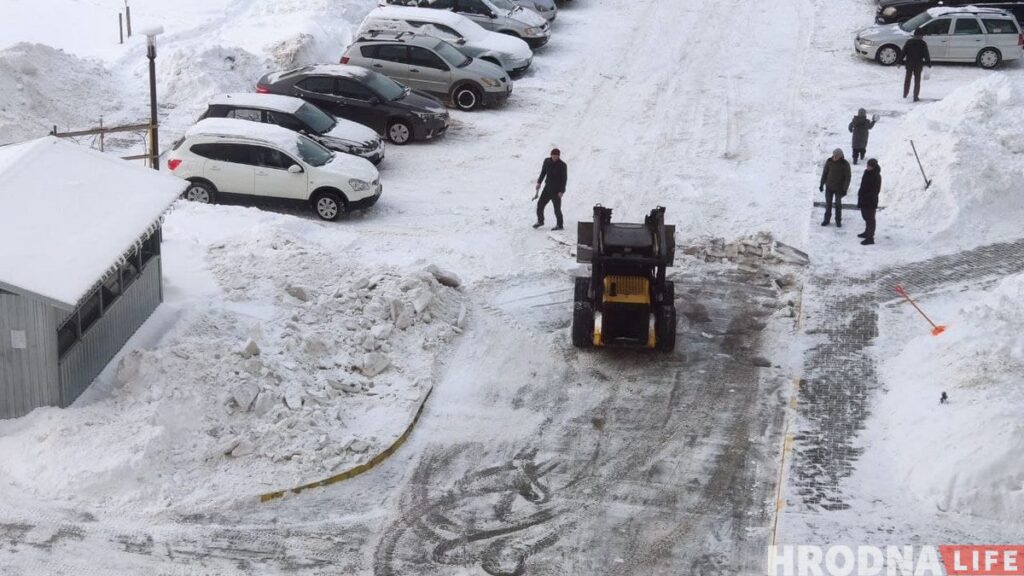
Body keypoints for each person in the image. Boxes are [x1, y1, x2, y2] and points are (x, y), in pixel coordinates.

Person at [533, 148, 568, 230]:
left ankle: (560, 225)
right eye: (553, 155)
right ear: (551, 155)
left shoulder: (563, 165)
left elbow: (564, 179)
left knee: (557, 209)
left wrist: (562, 191)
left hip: (556, 190)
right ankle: (540, 221)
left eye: (556, 156)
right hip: (547, 188)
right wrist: (539, 182)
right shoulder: (546, 161)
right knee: (540, 205)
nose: (554, 157)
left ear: (559, 156)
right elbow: (543, 172)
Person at [819, 148, 851, 228]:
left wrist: (845, 189)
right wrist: (822, 184)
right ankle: (826, 220)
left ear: (840, 156)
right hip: (829, 187)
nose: (834, 157)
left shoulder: (845, 164)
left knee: (838, 205)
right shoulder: (829, 161)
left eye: (836, 156)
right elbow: (825, 173)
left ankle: (838, 220)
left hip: (839, 188)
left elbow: (848, 178)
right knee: (828, 204)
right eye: (834, 155)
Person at [898, 28, 931, 102]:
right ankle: (915, 96)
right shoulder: (923, 43)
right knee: (917, 81)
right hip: (918, 64)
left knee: (907, 79)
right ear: (920, 35)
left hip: (909, 63)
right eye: (922, 35)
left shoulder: (909, 42)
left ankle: (905, 94)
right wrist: (928, 63)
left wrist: (899, 62)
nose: (922, 37)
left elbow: (903, 52)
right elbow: (926, 55)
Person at [856, 158, 881, 245]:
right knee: (866, 217)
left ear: (873, 167)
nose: (867, 167)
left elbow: (876, 191)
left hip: (870, 201)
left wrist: (867, 197)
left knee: (870, 219)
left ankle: (870, 238)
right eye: (867, 165)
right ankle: (867, 232)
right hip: (863, 199)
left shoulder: (877, 176)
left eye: (869, 166)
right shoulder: (866, 172)